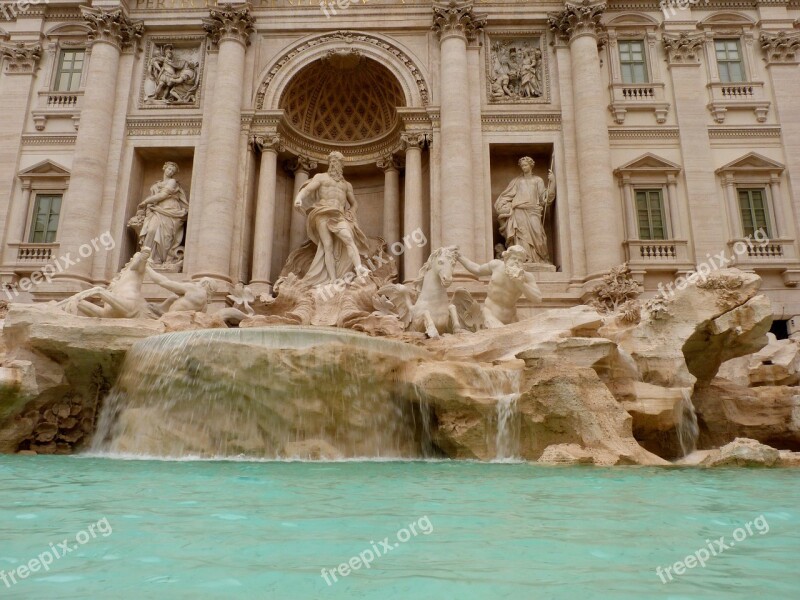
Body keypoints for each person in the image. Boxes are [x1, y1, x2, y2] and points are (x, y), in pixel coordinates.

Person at [293, 151, 369, 285]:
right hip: (322, 212)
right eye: (332, 161)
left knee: (349, 239)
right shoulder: (321, 177)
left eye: (336, 161)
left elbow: (354, 203)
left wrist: (351, 211)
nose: (333, 164)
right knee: (327, 245)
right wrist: (299, 198)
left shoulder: (346, 185)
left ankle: (359, 268)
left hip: (339, 215)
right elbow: (308, 190)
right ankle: (333, 279)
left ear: (341, 165)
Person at [455, 245, 542, 327]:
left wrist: (521, 283)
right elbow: (477, 269)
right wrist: (460, 257)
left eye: (520, 260)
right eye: (514, 258)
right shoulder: (496, 266)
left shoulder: (527, 277)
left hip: (511, 319)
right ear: (506, 259)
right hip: (490, 315)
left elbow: (537, 298)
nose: (516, 262)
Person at [495, 156, 555, 264]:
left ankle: (540, 259)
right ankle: (525, 258)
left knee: (538, 235)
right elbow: (506, 196)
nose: (523, 167)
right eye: (522, 165)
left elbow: (544, 199)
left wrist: (552, 182)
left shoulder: (538, 180)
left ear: (531, 165)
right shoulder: (517, 181)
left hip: (533, 211)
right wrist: (502, 205)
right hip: (518, 211)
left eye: (525, 165)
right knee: (521, 236)